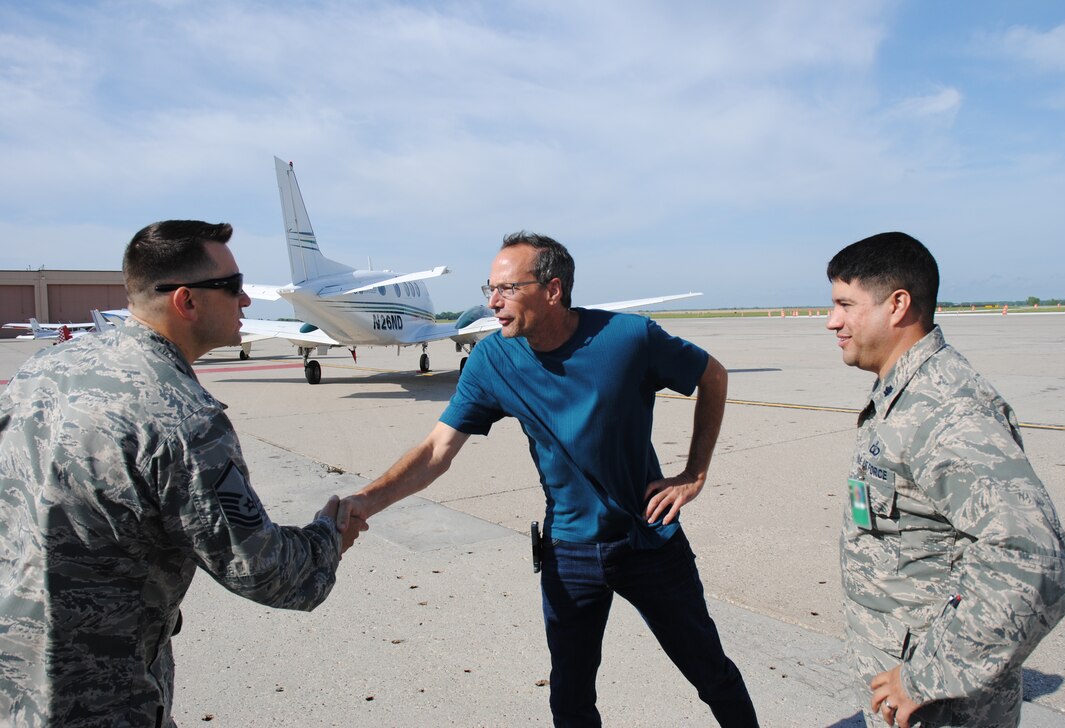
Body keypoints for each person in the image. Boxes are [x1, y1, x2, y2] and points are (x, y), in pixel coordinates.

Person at [337, 232, 759, 727]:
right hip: (569, 551)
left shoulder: (629, 339)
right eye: (488, 288)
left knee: (712, 674)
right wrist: (366, 500)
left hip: (649, 541)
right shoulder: (493, 360)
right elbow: (435, 451)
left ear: (553, 290)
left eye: (506, 289)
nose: (492, 302)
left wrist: (695, 473)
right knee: (570, 699)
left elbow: (713, 376)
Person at [0, 220, 347, 727]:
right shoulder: (182, 418)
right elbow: (267, 574)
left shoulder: (41, 371)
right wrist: (329, 535)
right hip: (100, 698)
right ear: (186, 301)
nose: (246, 300)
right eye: (232, 286)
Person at [826, 232, 1065, 727]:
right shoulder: (903, 393)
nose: (833, 322)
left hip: (942, 709)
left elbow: (1029, 558)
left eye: (845, 305)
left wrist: (924, 677)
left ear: (897, 305)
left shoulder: (946, 408)